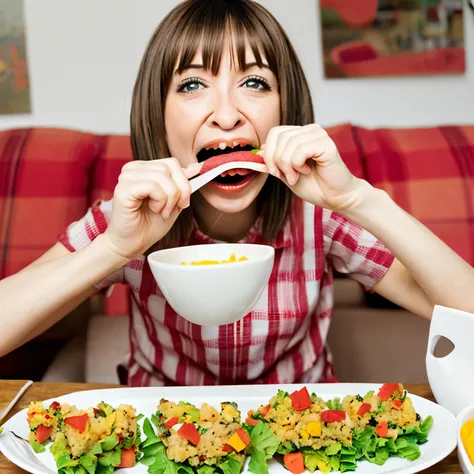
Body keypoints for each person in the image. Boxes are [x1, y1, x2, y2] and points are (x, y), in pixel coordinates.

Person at [1, 0, 473, 386]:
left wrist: (358, 199)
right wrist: (115, 247)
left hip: (302, 438)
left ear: (285, 108)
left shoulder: (319, 215)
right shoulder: (128, 219)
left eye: (253, 82)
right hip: (164, 437)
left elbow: (465, 312)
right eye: (192, 85)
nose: (226, 115)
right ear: (158, 119)